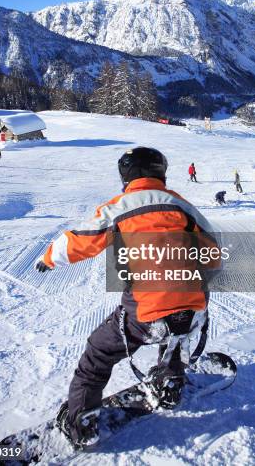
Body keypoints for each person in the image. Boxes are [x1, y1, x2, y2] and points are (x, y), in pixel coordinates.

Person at [35, 147, 220, 449]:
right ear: (161, 172)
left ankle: (81, 421)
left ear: (126, 175)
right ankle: (170, 382)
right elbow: (213, 254)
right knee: (177, 332)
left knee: (99, 353)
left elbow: (79, 240)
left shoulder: (119, 206)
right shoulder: (182, 205)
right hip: (193, 300)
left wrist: (49, 258)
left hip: (147, 305)